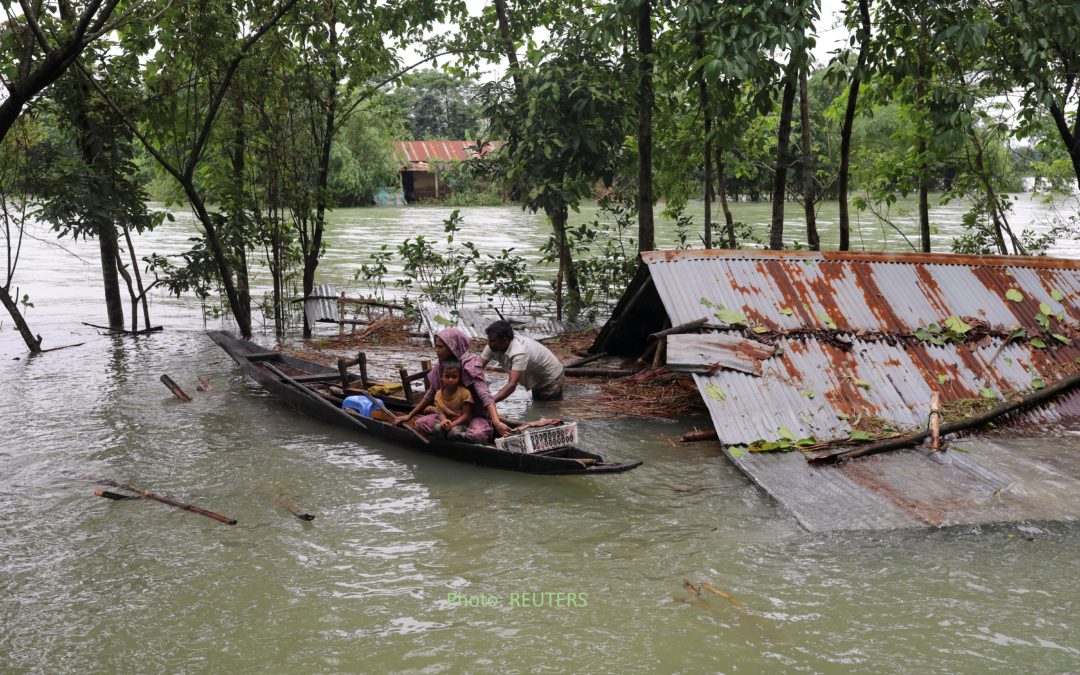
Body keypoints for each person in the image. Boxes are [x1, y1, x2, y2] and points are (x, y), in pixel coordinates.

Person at [396, 328, 511, 440]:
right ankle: (452, 434)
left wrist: (496, 423)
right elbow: (430, 394)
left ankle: (456, 435)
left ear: (452, 346)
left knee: (478, 434)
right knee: (419, 424)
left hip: (473, 417)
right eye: (436, 346)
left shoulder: (470, 365)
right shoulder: (441, 366)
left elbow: (485, 396)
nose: (437, 350)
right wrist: (409, 415)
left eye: (440, 347)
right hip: (447, 416)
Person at [480, 320, 564, 401]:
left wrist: (489, 402)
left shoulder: (519, 352)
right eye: (489, 339)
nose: (489, 343)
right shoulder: (491, 346)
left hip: (551, 376)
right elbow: (476, 369)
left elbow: (512, 385)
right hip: (536, 376)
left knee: (547, 408)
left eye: (492, 340)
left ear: (504, 340)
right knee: (537, 404)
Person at [424, 359, 474, 440]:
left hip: (461, 422)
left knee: (453, 433)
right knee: (437, 429)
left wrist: (452, 424)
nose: (450, 380)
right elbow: (440, 412)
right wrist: (444, 420)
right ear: (441, 377)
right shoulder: (438, 394)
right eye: (447, 376)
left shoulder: (465, 393)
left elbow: (466, 415)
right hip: (446, 421)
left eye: (454, 377)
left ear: (459, 378)